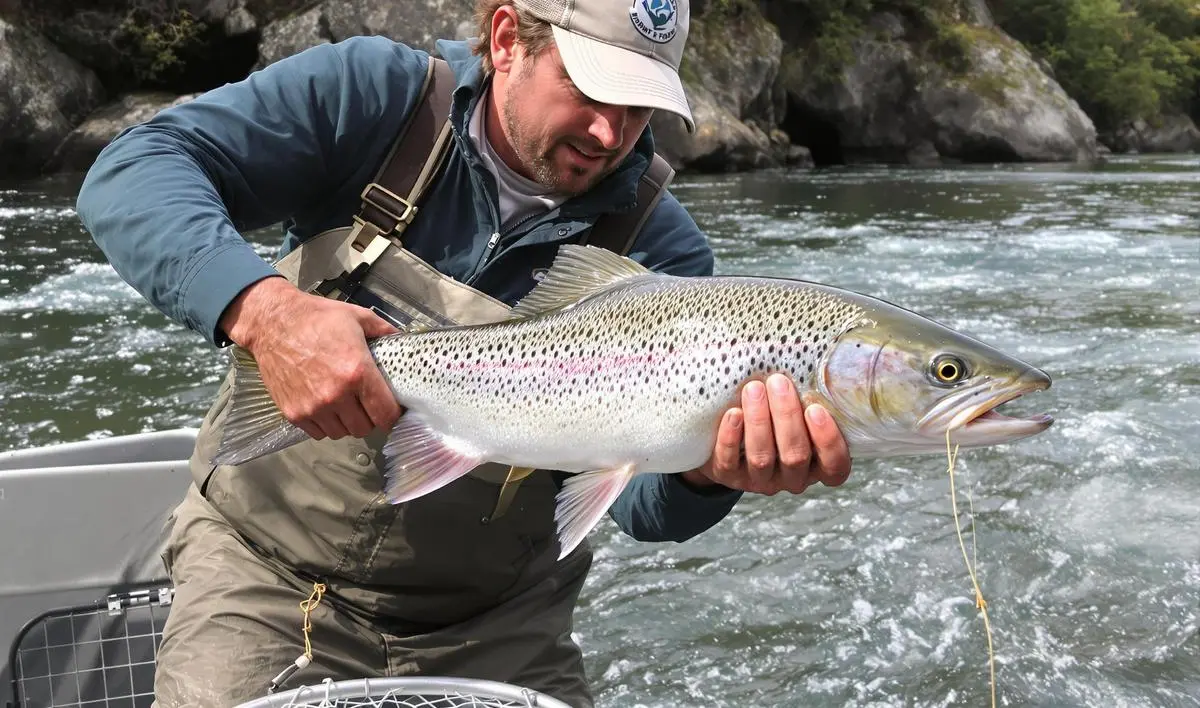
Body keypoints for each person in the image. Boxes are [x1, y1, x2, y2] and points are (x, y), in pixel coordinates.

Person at [75, 0, 854, 705]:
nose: (610, 135)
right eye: (591, 91)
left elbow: (641, 507)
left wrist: (707, 474)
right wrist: (265, 312)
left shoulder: (661, 248)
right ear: (509, 38)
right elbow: (133, 172)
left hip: (500, 626)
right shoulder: (377, 96)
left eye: (639, 109)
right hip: (266, 576)